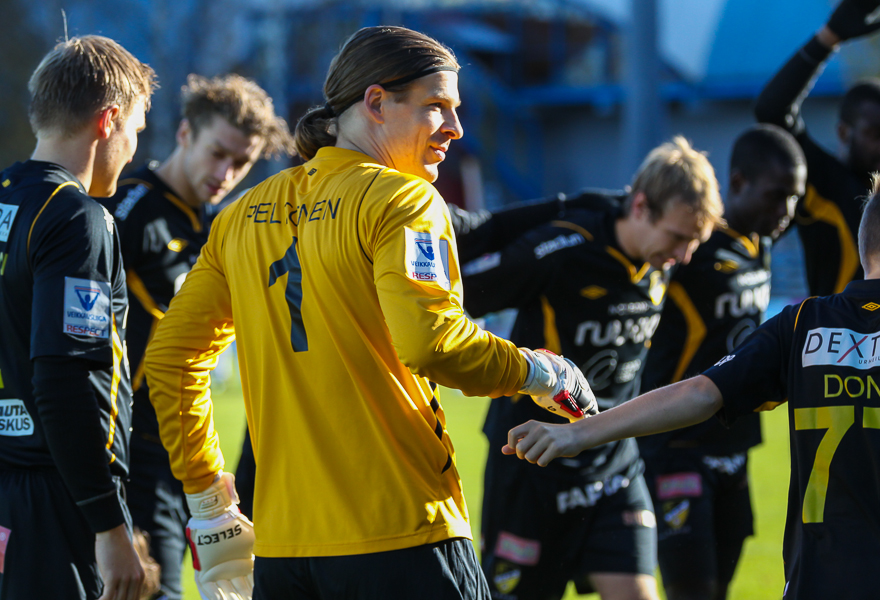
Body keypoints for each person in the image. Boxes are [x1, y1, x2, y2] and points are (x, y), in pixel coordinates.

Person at [143, 25, 594, 600]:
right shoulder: (402, 198)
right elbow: (434, 344)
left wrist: (209, 503)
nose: (456, 129)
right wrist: (544, 371)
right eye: (437, 107)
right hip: (400, 532)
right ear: (376, 103)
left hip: (284, 552)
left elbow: (170, 359)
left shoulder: (240, 213)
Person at [505, 169, 880, 600]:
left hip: (816, 584)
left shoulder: (803, 324)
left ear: (866, 246)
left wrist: (576, 433)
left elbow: (697, 393)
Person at [461, 136, 723, 600]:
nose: (684, 256)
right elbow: (458, 297)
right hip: (530, 462)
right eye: (679, 238)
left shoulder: (661, 259)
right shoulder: (562, 248)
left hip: (612, 464)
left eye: (694, 243)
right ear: (640, 207)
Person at [102, 73, 293, 600]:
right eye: (217, 153)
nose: (225, 173)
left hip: (175, 445)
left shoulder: (217, 225)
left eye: (242, 162)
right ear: (185, 133)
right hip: (121, 443)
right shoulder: (129, 211)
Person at [0, 36, 156, 600]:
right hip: (53, 500)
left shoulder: (7, 199)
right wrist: (110, 527)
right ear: (108, 120)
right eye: (136, 129)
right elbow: (64, 379)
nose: (135, 149)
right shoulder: (76, 217)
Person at [638, 125, 806, 600]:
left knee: (721, 588)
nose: (786, 212)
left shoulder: (760, 242)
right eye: (777, 196)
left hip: (735, 440)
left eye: (794, 199)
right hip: (677, 444)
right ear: (737, 183)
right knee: (692, 590)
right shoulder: (692, 245)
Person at [754, 0, 880, 297]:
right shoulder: (824, 180)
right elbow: (771, 110)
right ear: (843, 132)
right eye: (876, 134)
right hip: (833, 341)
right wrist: (829, 37)